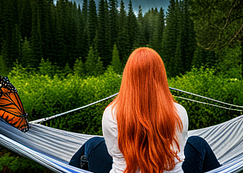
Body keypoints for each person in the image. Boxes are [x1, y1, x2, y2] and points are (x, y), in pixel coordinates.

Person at [69, 47, 220, 173]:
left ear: (128, 76)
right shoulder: (179, 112)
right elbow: (180, 149)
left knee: (92, 143)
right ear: (161, 76)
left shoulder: (111, 113)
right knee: (197, 142)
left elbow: (113, 153)